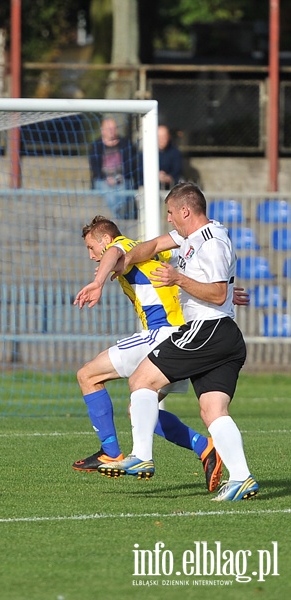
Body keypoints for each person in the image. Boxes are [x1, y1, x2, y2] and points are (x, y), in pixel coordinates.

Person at [94, 183, 258, 501]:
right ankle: (242, 477)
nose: (169, 219)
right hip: (220, 334)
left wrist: (177, 278)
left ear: (185, 210)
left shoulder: (212, 242)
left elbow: (218, 293)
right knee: (213, 409)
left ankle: (141, 455)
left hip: (206, 330)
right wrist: (125, 260)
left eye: (170, 212)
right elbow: (153, 245)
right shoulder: (190, 237)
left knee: (142, 378)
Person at [88, 117, 141, 220]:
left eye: (113, 128)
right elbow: (95, 168)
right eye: (108, 129)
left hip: (123, 178)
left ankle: (118, 217)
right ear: (102, 130)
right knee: (109, 193)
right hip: (103, 179)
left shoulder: (126, 144)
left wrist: (119, 177)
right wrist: (107, 178)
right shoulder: (96, 146)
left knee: (123, 189)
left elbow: (131, 165)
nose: (111, 131)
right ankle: (118, 216)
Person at [157, 125, 183, 191]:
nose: (161, 139)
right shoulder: (147, 153)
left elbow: (177, 170)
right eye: (159, 137)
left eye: (164, 137)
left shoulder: (175, 153)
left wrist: (167, 177)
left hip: (171, 189)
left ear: (168, 137)